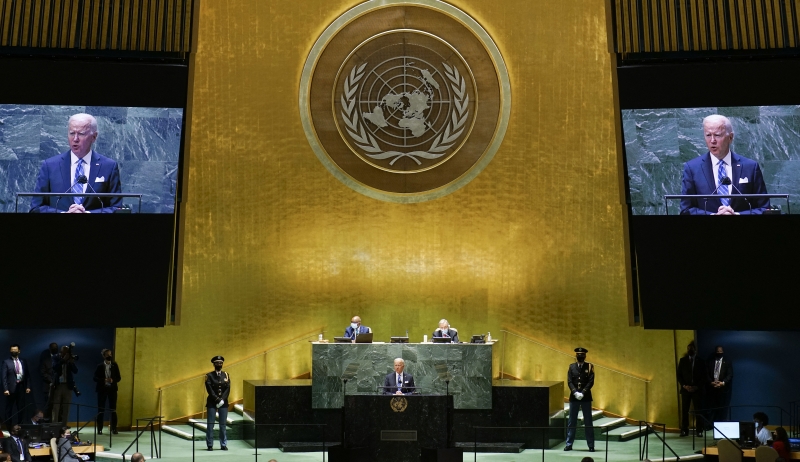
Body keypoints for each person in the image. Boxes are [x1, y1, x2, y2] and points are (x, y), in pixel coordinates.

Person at [30, 113, 122, 213]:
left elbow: (116, 208)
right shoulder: (50, 166)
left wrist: (88, 213)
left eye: (81, 134)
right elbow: (36, 208)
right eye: (72, 133)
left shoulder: (109, 167)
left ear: (94, 137)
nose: (75, 139)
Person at [680, 114, 769, 215]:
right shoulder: (692, 168)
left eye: (717, 135)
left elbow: (764, 208)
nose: (712, 140)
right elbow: (685, 210)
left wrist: (737, 215)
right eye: (708, 135)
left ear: (730, 137)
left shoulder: (750, 167)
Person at [565, 347, 595, 452]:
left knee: (588, 422)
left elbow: (591, 381)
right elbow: (569, 381)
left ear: (585, 356)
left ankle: (591, 445)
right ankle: (569, 444)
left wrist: (583, 392)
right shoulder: (571, 367)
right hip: (574, 397)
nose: (580, 356)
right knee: (571, 421)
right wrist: (574, 392)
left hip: (585, 397)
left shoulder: (590, 366)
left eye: (582, 355)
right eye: (578, 355)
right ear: (576, 356)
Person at [677, 340, 706, 437]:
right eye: (688, 348)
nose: (690, 350)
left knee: (698, 410)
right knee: (685, 410)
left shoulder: (701, 361)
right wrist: (685, 386)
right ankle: (684, 429)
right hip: (685, 390)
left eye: (691, 348)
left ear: (695, 349)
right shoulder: (682, 360)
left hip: (697, 390)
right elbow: (679, 375)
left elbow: (704, 376)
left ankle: (699, 430)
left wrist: (696, 387)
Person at [204, 356, 230, 451]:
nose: (219, 364)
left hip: (223, 402)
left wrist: (222, 399)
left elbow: (227, 388)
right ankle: (210, 444)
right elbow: (209, 389)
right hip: (212, 402)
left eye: (221, 363)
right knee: (210, 424)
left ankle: (223, 444)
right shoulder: (209, 376)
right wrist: (217, 400)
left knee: (222, 425)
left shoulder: (226, 375)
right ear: (214, 364)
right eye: (217, 363)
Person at [93, 349, 121, 434]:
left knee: (113, 409)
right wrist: (103, 380)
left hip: (112, 390)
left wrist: (113, 380)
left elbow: (119, 378)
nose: (110, 356)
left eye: (110, 354)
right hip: (102, 390)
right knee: (101, 409)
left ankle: (114, 428)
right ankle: (100, 429)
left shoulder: (114, 365)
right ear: (104, 356)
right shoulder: (100, 366)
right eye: (107, 355)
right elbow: (94, 378)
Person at [3, 344, 31, 429]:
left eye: (15, 350)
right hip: (10, 389)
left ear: (19, 351)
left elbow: (27, 375)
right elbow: (3, 376)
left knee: (21, 408)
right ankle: (8, 426)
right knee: (9, 409)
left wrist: (28, 386)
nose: (13, 351)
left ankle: (20, 426)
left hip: (21, 387)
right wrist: (5, 389)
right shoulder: (6, 362)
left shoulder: (23, 361)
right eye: (12, 350)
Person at [706, 345, 733, 426]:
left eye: (720, 352)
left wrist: (723, 383)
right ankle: (710, 425)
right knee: (711, 408)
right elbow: (706, 373)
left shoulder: (727, 362)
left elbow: (730, 374)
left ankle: (721, 425)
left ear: (723, 352)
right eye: (718, 352)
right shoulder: (710, 361)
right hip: (711, 389)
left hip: (723, 390)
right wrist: (711, 382)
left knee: (722, 408)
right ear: (715, 352)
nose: (719, 353)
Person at [51, 346, 78, 424]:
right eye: (64, 352)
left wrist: (71, 362)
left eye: (67, 352)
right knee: (56, 406)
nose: (65, 354)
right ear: (61, 351)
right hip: (58, 385)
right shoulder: (56, 357)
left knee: (66, 407)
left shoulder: (69, 359)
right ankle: (54, 425)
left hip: (68, 386)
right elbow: (55, 368)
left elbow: (75, 371)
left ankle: (64, 425)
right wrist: (63, 360)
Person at [40, 343, 60, 420]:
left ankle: (59, 423)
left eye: (56, 347)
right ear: (50, 349)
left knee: (59, 406)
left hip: (59, 387)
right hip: (48, 386)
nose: (55, 349)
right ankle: (48, 422)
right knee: (48, 406)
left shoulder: (60, 360)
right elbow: (43, 373)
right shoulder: (45, 361)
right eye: (53, 348)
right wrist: (52, 381)